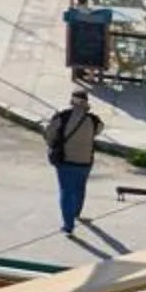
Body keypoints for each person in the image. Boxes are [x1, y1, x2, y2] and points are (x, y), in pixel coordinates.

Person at [44, 89, 104, 234]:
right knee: (80, 187)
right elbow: (99, 131)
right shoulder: (94, 120)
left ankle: (68, 225)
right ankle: (76, 212)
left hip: (65, 160)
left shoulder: (62, 117)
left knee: (66, 191)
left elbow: (49, 135)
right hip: (85, 161)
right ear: (86, 103)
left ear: (71, 101)